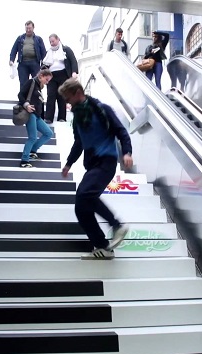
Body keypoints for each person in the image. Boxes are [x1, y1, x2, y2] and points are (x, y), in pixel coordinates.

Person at [58, 78, 133, 259]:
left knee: (85, 195)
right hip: (92, 164)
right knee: (81, 207)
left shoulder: (101, 109)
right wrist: (69, 163)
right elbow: (79, 143)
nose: (67, 103)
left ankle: (116, 225)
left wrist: (127, 152)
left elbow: (121, 131)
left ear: (77, 93)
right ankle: (103, 247)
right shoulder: (77, 117)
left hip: (106, 161)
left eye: (68, 99)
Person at [18, 69, 54, 168]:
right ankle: (24, 161)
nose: (47, 82)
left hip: (37, 116)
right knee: (33, 137)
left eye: (48, 81)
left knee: (49, 133)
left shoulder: (39, 87)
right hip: (30, 114)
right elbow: (20, 94)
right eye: (46, 80)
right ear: (41, 76)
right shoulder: (32, 82)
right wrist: (26, 105)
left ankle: (32, 151)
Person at [42, 34, 79, 124]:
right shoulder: (48, 52)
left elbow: (73, 61)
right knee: (51, 95)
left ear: (58, 40)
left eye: (53, 41)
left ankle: (62, 117)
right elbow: (44, 65)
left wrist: (74, 72)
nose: (52, 43)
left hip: (63, 74)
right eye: (50, 42)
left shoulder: (66, 50)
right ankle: (48, 117)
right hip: (51, 76)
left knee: (62, 96)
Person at [9, 20, 47, 89]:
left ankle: (35, 98)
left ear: (33, 28)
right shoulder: (20, 38)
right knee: (23, 82)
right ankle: (23, 99)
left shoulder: (38, 39)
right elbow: (14, 49)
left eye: (30, 28)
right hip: (23, 63)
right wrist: (11, 60)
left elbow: (43, 52)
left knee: (37, 82)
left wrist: (44, 65)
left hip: (35, 63)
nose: (28, 30)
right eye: (27, 28)